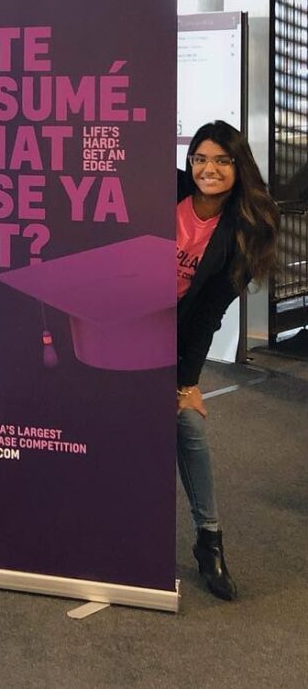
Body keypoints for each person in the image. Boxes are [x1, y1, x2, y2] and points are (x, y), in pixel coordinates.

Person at [177, 120, 278, 600]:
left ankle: (209, 539)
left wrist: (186, 382)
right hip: (121, 325)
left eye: (221, 160)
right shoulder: (168, 190)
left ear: (238, 167)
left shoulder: (241, 231)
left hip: (173, 338)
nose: (208, 169)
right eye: (201, 158)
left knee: (188, 424)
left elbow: (209, 317)